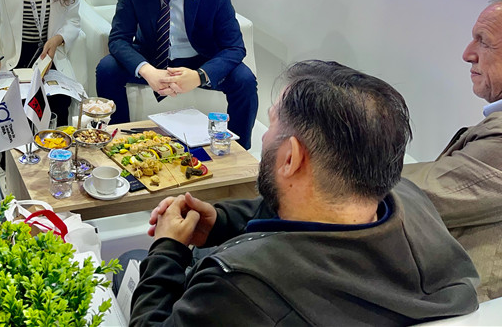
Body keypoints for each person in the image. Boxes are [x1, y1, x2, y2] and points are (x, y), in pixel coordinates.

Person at [127, 60, 479, 326]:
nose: (265, 137)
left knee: (130, 258)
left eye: (271, 123)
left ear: (291, 157)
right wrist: (221, 221)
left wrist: (167, 249)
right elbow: (305, 223)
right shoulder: (412, 202)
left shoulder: (237, 287)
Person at [403, 0, 502, 301]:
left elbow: (419, 198)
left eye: (484, 42)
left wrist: (322, 171)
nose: (468, 54)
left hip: (462, 303)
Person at [96, 0, 258, 146]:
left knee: (244, 80)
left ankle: (239, 151)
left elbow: (235, 47)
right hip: (152, 57)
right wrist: (148, 71)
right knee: (107, 68)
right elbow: (118, 38)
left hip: (200, 60)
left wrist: (199, 76)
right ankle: (119, 141)